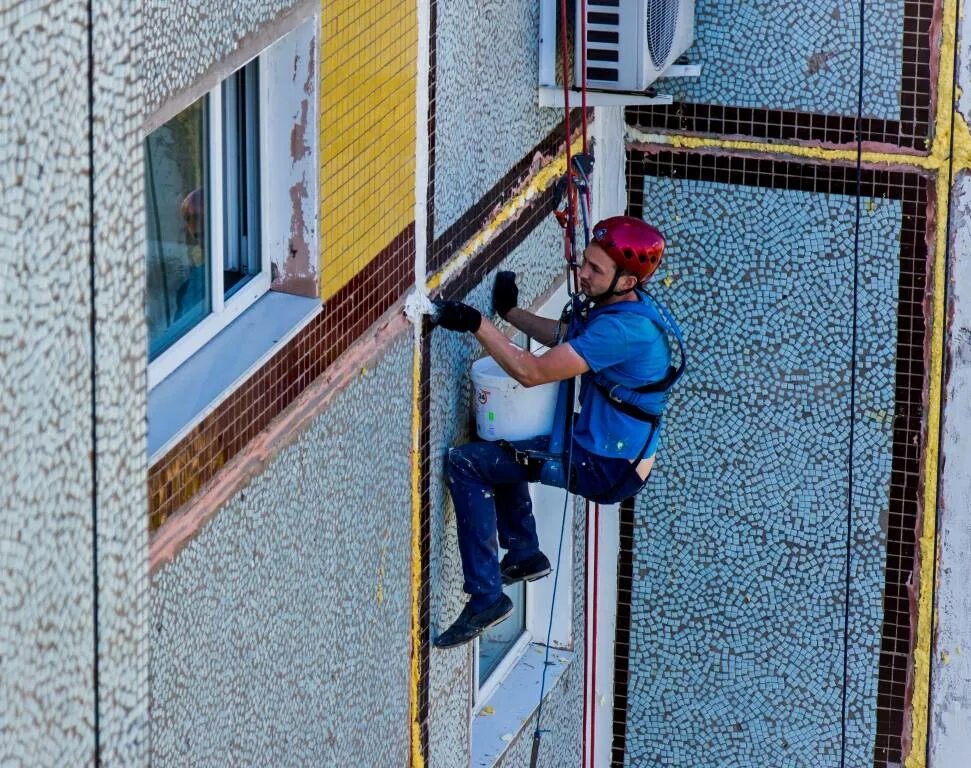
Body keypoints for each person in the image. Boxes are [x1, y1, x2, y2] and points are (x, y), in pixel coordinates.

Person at [431, 216, 682, 648]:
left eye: (595, 270)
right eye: (586, 262)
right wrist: (511, 314)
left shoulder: (625, 329)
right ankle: (524, 553)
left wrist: (477, 323)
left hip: (604, 466)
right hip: (607, 451)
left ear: (625, 281)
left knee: (468, 465)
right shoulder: (618, 307)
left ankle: (486, 598)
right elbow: (566, 336)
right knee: (501, 451)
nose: (582, 274)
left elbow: (533, 372)